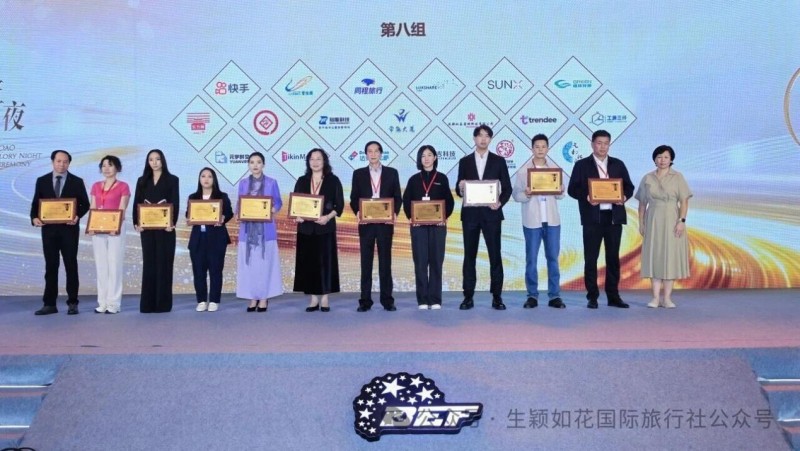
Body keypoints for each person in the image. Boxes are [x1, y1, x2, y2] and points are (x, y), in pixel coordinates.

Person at [567, 130, 634, 309]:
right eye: (599, 143)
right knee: (591, 259)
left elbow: (629, 187)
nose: (602, 147)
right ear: (592, 144)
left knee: (613, 258)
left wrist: (624, 197)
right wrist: (587, 196)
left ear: (609, 145)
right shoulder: (582, 165)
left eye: (606, 143)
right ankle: (592, 297)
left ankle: (613, 296)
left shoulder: (618, 164)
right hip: (592, 218)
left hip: (613, 218)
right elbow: (572, 189)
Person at [455, 125, 512, 310]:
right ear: (474, 138)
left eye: (487, 136)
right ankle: (468, 296)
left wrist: (499, 203)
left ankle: (497, 297)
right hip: (470, 216)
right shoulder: (465, 161)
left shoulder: (499, 161)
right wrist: (461, 187)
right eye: (480, 136)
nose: (483, 139)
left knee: (495, 256)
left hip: (492, 215)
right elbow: (458, 189)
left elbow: (507, 188)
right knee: (469, 257)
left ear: (490, 139)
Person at [30, 150, 90, 315]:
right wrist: (34, 218)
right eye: (58, 161)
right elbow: (35, 203)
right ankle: (49, 304)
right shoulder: (42, 180)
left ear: (69, 163)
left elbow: (85, 204)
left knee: (71, 265)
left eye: (65, 162)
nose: (62, 164)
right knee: (51, 266)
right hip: (49, 231)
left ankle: (73, 302)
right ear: (53, 162)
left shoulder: (77, 181)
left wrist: (77, 216)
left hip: (69, 230)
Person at [512, 134, 566, 309]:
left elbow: (561, 195)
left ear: (548, 148)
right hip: (532, 222)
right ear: (532, 149)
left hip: (552, 221)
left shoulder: (555, 169)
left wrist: (560, 190)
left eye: (543, 146)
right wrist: (526, 194)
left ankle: (554, 296)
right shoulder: (523, 171)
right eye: (537, 146)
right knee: (531, 260)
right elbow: (516, 195)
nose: (540, 150)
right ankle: (532, 296)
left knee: (553, 259)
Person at [635, 145, 692, 308]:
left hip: (672, 220)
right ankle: (654, 298)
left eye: (666, 157)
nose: (662, 160)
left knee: (670, 258)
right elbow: (642, 204)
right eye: (659, 157)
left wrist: (681, 221)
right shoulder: (647, 178)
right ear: (654, 159)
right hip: (653, 219)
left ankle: (667, 298)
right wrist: (641, 223)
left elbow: (684, 201)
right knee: (654, 257)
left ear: (671, 159)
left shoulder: (678, 177)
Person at [349, 141, 402, 312]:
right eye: (369, 151)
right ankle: (365, 301)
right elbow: (353, 198)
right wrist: (358, 212)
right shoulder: (358, 174)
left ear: (381, 153)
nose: (373, 154)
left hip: (385, 224)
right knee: (366, 264)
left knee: (385, 263)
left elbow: (397, 197)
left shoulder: (392, 173)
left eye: (376, 151)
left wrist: (394, 213)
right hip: (366, 225)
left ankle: (387, 300)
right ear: (366, 154)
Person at [402, 145, 454, 310]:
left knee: (437, 262)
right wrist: (412, 218)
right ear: (420, 159)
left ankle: (435, 299)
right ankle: (423, 300)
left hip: (438, 227)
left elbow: (449, 201)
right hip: (419, 228)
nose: (426, 158)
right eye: (423, 155)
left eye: (430, 155)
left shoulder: (442, 178)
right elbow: (406, 201)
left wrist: (443, 217)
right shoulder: (413, 180)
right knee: (420, 263)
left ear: (435, 158)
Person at [293, 148, 344, 312]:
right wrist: (297, 216)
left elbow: (339, 205)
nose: (315, 162)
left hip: (325, 228)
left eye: (318, 159)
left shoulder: (333, 180)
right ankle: (314, 298)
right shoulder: (302, 180)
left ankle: (325, 298)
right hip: (306, 229)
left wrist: (328, 217)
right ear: (308, 162)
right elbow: (296, 204)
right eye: (312, 159)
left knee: (326, 264)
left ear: (324, 161)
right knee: (309, 263)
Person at [132, 149, 179, 313]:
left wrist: (172, 222)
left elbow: (175, 202)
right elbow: (137, 203)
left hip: (166, 230)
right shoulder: (141, 181)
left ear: (162, 160)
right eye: (151, 159)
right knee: (149, 264)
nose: (154, 162)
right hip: (147, 229)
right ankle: (147, 304)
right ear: (148, 162)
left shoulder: (172, 180)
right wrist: (136, 222)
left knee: (164, 264)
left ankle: (163, 304)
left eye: (157, 159)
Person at [236, 152, 283, 312]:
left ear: (263, 164)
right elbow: (240, 203)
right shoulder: (243, 183)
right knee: (249, 266)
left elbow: (278, 202)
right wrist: (239, 214)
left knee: (265, 265)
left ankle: (263, 298)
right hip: (247, 231)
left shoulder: (271, 182)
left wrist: (273, 209)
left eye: (258, 162)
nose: (255, 165)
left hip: (266, 230)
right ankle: (252, 297)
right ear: (248, 165)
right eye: (252, 162)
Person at [88, 155, 130, 314]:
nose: (106, 168)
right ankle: (102, 302)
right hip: (98, 228)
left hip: (115, 228)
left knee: (114, 264)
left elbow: (122, 209)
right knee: (101, 265)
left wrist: (115, 226)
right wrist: (91, 226)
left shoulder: (123, 186)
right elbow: (93, 207)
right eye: (103, 165)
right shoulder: (95, 186)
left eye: (110, 165)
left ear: (117, 168)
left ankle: (114, 303)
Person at [188, 167, 233, 312]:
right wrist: (189, 219)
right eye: (203, 176)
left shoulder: (222, 196)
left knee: (215, 270)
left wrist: (223, 218)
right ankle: (201, 300)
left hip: (217, 239)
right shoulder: (193, 197)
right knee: (198, 271)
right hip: (198, 239)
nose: (206, 179)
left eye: (209, 176)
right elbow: (188, 214)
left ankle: (214, 300)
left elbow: (229, 213)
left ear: (214, 179)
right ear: (199, 179)